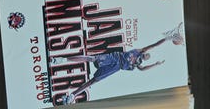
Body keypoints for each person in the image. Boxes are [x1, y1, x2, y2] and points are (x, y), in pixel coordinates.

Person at [52, 25, 183, 105]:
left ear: (145, 60)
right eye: (147, 54)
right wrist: (167, 39)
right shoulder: (139, 51)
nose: (147, 55)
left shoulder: (137, 65)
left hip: (115, 68)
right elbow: (154, 45)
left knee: (94, 81)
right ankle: (62, 60)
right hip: (115, 57)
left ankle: (73, 95)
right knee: (92, 58)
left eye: (148, 57)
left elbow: (143, 69)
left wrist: (155, 64)